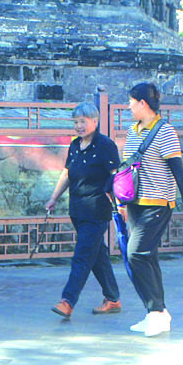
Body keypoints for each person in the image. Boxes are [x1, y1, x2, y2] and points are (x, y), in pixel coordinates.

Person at [121, 83, 183, 337]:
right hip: (135, 204)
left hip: (158, 204)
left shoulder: (165, 132)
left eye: (131, 103)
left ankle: (156, 312)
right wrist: (120, 200)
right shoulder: (133, 131)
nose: (129, 107)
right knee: (147, 257)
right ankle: (156, 313)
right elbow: (128, 168)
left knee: (136, 254)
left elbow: (179, 172)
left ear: (143, 103)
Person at [45, 100, 122, 320]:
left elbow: (116, 176)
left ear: (95, 121)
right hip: (78, 209)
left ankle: (67, 301)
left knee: (82, 256)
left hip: (97, 210)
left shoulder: (105, 145)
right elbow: (67, 173)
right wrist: (53, 198)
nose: (79, 126)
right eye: (76, 122)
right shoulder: (74, 145)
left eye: (83, 121)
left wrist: (121, 205)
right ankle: (113, 298)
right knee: (97, 256)